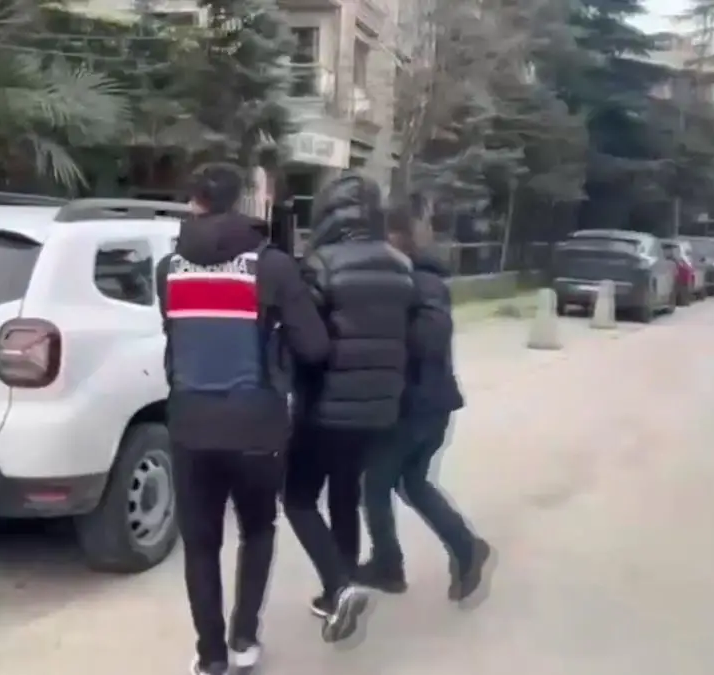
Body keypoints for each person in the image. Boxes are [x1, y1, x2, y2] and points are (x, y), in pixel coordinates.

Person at [156, 162, 330, 675]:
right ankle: (245, 638)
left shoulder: (168, 269)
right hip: (257, 426)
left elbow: (175, 338)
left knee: (200, 543)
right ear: (244, 202)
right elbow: (314, 346)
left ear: (193, 202)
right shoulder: (272, 266)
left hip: (190, 423)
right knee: (256, 530)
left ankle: (211, 656)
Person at [282, 172, 416, 643]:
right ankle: (338, 588)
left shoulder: (320, 264)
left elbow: (307, 342)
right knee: (344, 494)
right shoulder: (401, 265)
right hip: (379, 409)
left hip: (325, 407)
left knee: (298, 498)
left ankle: (339, 586)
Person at [355, 204, 492, 602]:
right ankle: (465, 547)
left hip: (417, 405)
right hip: (420, 403)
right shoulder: (409, 280)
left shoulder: (422, 282)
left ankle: (390, 566)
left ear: (396, 238)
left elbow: (430, 338)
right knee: (412, 483)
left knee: (376, 484)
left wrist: (384, 322)